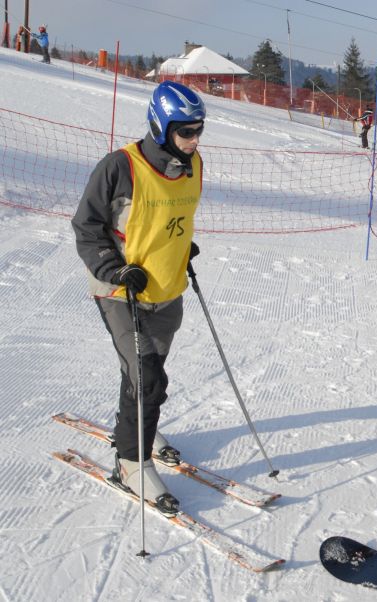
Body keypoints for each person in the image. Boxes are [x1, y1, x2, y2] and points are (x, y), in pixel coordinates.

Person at [71, 81, 207, 516]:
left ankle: (141, 426)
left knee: (146, 372)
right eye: (186, 130)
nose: (194, 139)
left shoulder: (193, 165)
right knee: (146, 377)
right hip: (120, 290)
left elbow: (172, 218)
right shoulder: (119, 167)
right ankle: (131, 463)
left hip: (168, 290)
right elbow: (87, 227)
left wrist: (183, 249)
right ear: (161, 126)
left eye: (199, 129)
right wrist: (114, 269)